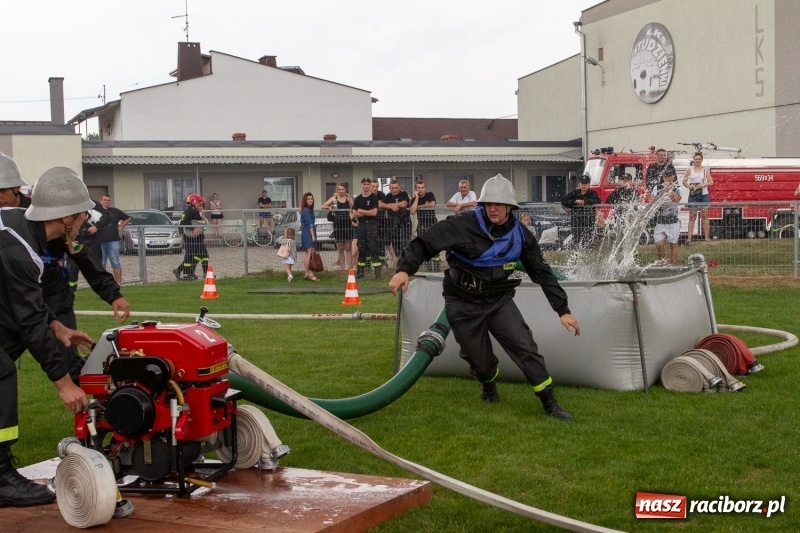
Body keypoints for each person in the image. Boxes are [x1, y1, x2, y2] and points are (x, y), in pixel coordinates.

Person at [389, 174, 580, 421]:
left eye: (499, 204)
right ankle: (488, 384)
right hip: (462, 303)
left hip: (499, 301)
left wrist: (562, 310)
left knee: (524, 346)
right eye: (488, 203)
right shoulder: (461, 224)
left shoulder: (522, 235)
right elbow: (425, 243)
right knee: (481, 363)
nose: (493, 208)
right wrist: (404, 269)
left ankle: (550, 403)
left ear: (510, 207)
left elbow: (542, 273)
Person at [0, 166, 96, 507]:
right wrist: (64, 382)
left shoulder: (18, 227)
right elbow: (28, 322)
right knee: (1, 371)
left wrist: (58, 327)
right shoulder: (17, 250)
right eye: (83, 213)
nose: (86, 220)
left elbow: (27, 306)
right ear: (66, 217)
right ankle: (0, 479)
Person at [0, 161, 131, 384]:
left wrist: (111, 293)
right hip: (14, 300)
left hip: (51, 297)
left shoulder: (51, 213)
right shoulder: (15, 230)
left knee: (68, 359)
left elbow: (82, 254)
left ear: (16, 189)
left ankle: (87, 410)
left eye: (1, 191)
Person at [94, 194, 130, 284]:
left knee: (115, 262)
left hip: (113, 240)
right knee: (101, 264)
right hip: (99, 241)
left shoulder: (115, 211)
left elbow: (127, 218)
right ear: (100, 200)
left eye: (108, 200)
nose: (106, 201)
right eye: (105, 200)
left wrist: (120, 227)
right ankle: (104, 284)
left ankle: (118, 284)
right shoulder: (96, 211)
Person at [351, 177, 382, 279]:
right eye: (364, 184)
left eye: (368, 184)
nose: (366, 186)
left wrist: (362, 211)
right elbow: (354, 214)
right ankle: (360, 272)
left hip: (372, 224)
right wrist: (365, 213)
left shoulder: (373, 198)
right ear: (361, 185)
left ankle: (377, 273)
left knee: (373, 247)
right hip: (361, 225)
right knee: (362, 247)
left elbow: (374, 213)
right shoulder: (358, 199)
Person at [173, 193, 209, 281]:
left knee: (202, 255)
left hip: (198, 237)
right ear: (193, 203)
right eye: (199, 205)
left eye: (202, 206)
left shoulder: (196, 213)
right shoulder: (188, 212)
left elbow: (199, 227)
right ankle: (187, 274)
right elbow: (183, 223)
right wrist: (192, 229)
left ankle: (200, 273)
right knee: (191, 256)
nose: (201, 208)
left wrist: (203, 237)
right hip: (189, 237)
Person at [561, 175, 602, 249]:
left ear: (589, 184)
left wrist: (584, 202)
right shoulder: (574, 193)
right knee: (577, 240)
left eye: (586, 183)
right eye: (582, 183)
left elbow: (597, 201)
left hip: (588, 221)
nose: (584, 185)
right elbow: (564, 201)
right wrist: (575, 201)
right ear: (579, 184)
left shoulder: (593, 193)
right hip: (576, 222)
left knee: (588, 239)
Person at [652, 168, 683, 265]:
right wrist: (660, 194)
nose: (667, 178)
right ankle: (663, 263)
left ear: (673, 177)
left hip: (673, 220)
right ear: (663, 177)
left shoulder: (678, 188)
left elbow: (677, 199)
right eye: (665, 176)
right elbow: (651, 199)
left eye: (669, 176)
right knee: (659, 244)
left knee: (673, 244)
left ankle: (672, 266)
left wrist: (669, 190)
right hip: (661, 220)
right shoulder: (657, 187)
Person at [408, 179, 440, 271]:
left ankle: (437, 267)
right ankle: (428, 267)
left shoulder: (430, 195)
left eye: (422, 187)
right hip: (421, 225)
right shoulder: (414, 199)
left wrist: (419, 207)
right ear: (416, 189)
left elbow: (432, 204)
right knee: (424, 246)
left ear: (425, 188)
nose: (421, 189)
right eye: (418, 188)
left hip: (432, 223)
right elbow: (413, 210)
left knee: (435, 245)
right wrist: (417, 198)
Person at [682, 152, 713, 242]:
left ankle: (706, 236)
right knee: (692, 216)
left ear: (702, 160)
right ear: (694, 160)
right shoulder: (689, 169)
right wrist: (689, 186)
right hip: (693, 195)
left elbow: (711, 182)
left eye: (699, 159)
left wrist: (703, 185)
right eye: (696, 159)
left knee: (704, 216)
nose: (697, 161)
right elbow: (684, 181)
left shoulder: (705, 170)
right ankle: (689, 238)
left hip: (703, 194)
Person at [321, 183, 353, 271]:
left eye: (343, 189)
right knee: (340, 248)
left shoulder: (349, 198)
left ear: (345, 190)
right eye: (339, 189)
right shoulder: (334, 199)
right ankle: (342, 269)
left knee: (348, 247)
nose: (341, 191)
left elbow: (353, 208)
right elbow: (323, 205)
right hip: (338, 225)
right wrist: (330, 208)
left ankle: (350, 269)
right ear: (337, 190)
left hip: (347, 225)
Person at [379, 179, 411, 266]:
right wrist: (391, 206)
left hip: (404, 223)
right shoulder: (388, 196)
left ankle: (406, 263)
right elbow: (380, 204)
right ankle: (397, 263)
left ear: (399, 187)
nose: (394, 189)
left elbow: (404, 204)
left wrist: (392, 205)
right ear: (390, 188)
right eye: (392, 188)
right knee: (394, 243)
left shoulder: (403, 194)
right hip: (392, 223)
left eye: (396, 187)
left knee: (405, 243)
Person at [606, 173, 641, 237]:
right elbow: (608, 200)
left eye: (627, 180)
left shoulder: (634, 191)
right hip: (618, 216)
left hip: (629, 217)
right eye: (623, 180)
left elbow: (635, 204)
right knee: (618, 235)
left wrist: (628, 203)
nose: (625, 182)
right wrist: (619, 202)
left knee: (627, 235)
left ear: (631, 181)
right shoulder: (618, 190)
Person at [299, 192, 320, 281]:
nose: (310, 200)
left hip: (305, 231)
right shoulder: (306, 210)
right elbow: (310, 224)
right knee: (310, 253)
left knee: (307, 253)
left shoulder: (305, 210)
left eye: (311, 198)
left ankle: (306, 273)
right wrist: (313, 235)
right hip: (308, 232)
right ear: (305, 200)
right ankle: (310, 273)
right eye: (308, 199)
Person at [371, 180, 388, 266]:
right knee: (371, 242)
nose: (375, 188)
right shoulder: (367, 195)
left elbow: (382, 205)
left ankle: (382, 262)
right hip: (371, 221)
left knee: (381, 242)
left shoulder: (381, 194)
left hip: (381, 221)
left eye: (376, 186)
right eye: (373, 186)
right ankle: (370, 264)